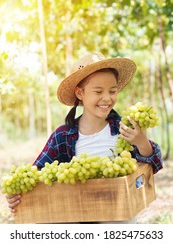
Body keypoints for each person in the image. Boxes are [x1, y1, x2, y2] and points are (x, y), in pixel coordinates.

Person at [6, 52, 163, 221]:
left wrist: (141, 142)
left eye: (112, 91)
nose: (107, 98)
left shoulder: (124, 130)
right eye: (98, 91)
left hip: (119, 224)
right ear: (80, 93)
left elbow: (152, 165)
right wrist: (17, 193)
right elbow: (36, 175)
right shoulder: (62, 136)